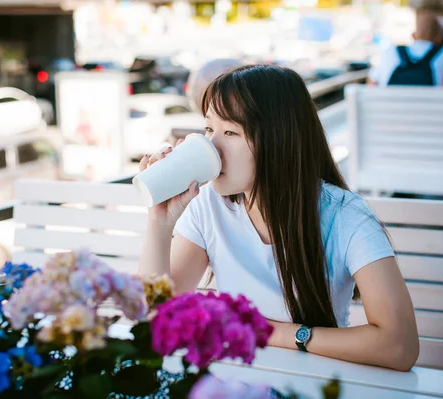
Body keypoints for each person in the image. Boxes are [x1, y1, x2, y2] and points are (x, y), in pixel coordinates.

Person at [139, 65, 419, 371]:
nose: (212, 147)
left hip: (318, 380)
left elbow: (399, 345)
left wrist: (277, 333)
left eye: (231, 132)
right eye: (209, 129)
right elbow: (155, 318)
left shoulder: (344, 215)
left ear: (278, 140)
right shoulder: (209, 205)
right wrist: (160, 222)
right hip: (235, 380)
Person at [368, 13, 443, 87]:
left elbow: (372, 82)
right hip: (430, 110)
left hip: (389, 110)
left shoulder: (390, 51)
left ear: (413, 35)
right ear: (439, 37)